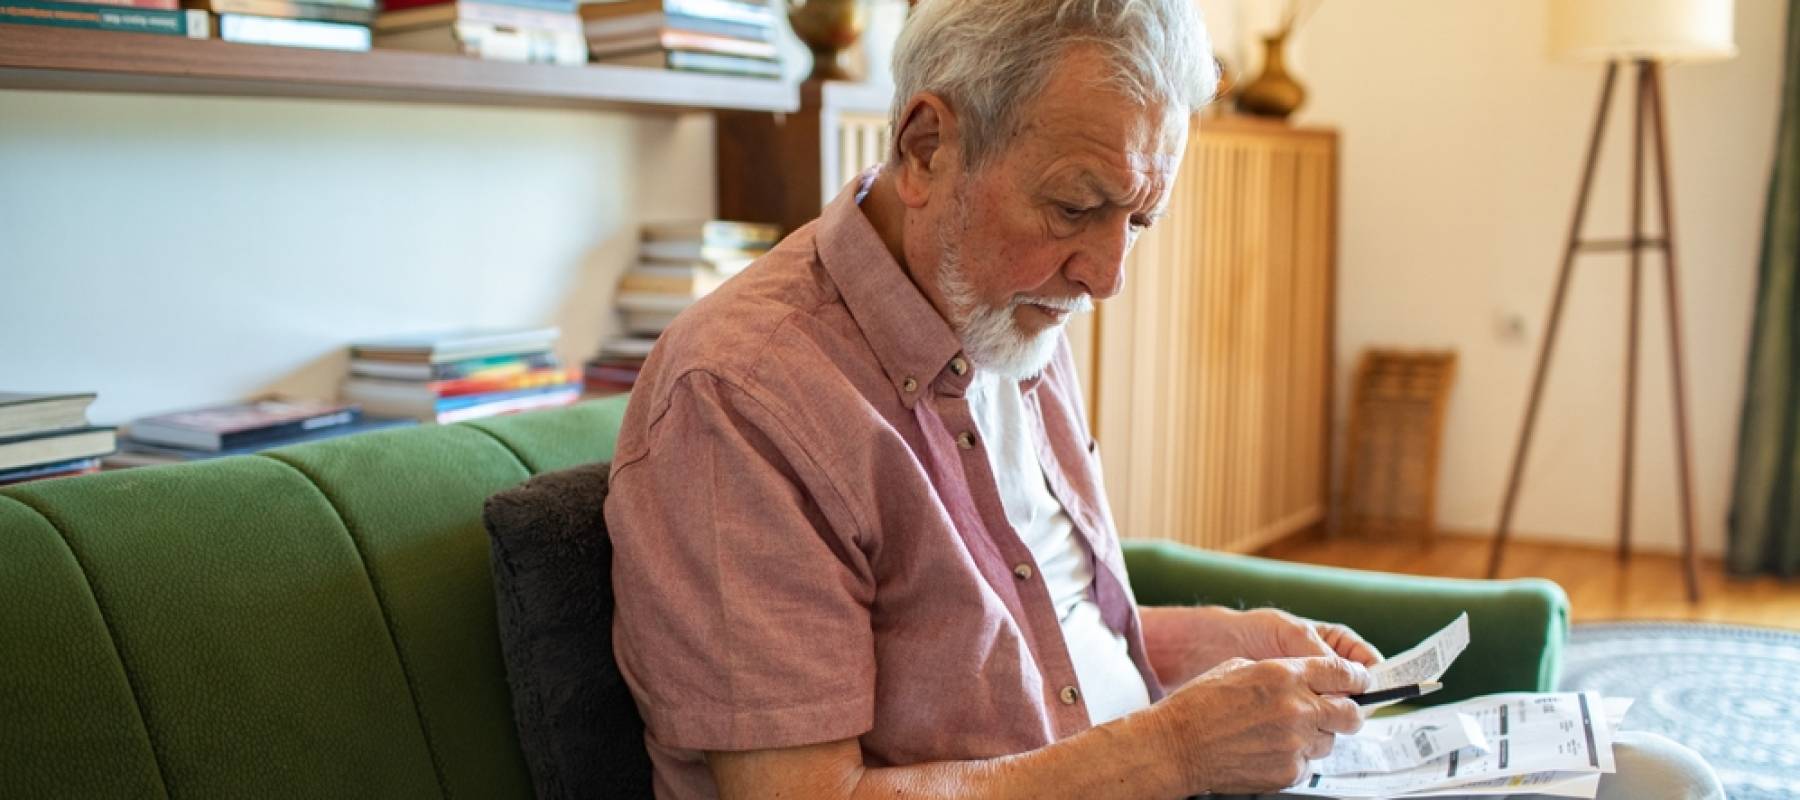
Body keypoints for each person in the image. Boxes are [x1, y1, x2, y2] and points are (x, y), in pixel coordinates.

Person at [603, 1, 1725, 797]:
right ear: (927, 145)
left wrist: (1210, 645)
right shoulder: (746, 400)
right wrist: (1177, 752)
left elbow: (1010, 645)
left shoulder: (1008, 305)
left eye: (1137, 219)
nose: (1110, 275)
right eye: (1077, 205)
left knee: (1662, 777)